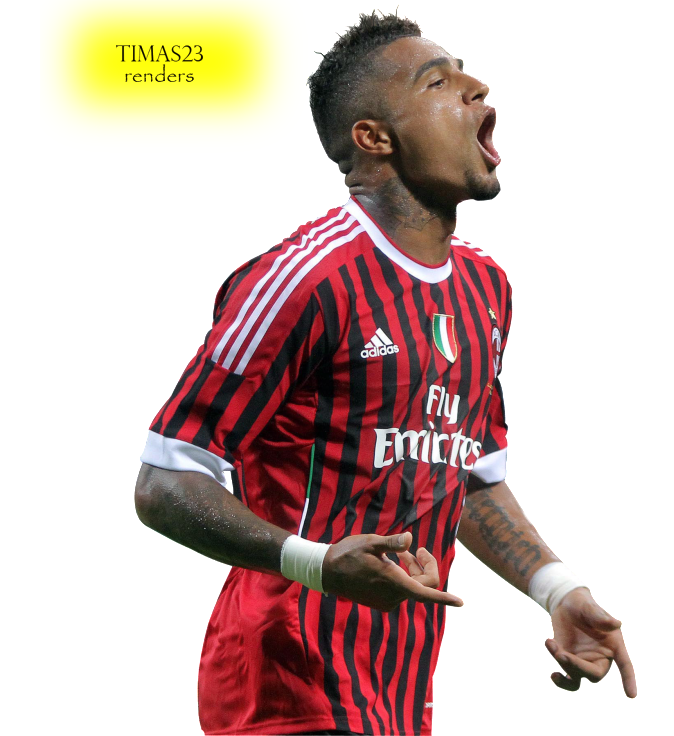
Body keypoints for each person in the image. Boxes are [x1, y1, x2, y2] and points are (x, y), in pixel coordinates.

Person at [134, 11, 636, 736]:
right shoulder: (306, 278)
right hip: (285, 682)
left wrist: (557, 588)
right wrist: (313, 563)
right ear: (374, 138)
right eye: (439, 82)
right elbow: (165, 480)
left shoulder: (485, 290)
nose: (477, 89)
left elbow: (465, 479)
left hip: (395, 695)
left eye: (471, 77)